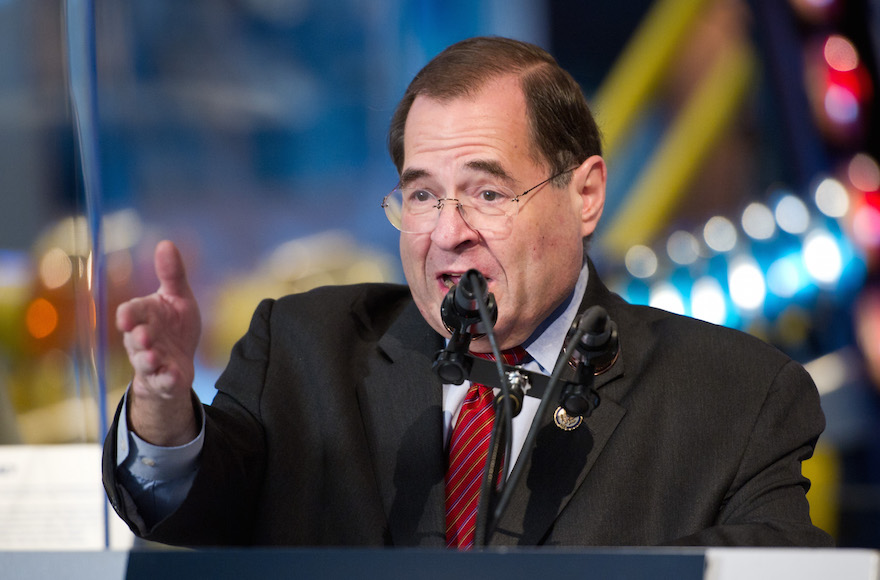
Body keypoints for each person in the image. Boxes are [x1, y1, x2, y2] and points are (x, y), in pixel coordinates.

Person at [103, 36, 833, 548]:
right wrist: (164, 414)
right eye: (422, 197)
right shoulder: (303, 351)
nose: (447, 233)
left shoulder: (738, 396)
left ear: (585, 195)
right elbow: (193, 506)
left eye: (486, 192)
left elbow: (777, 566)